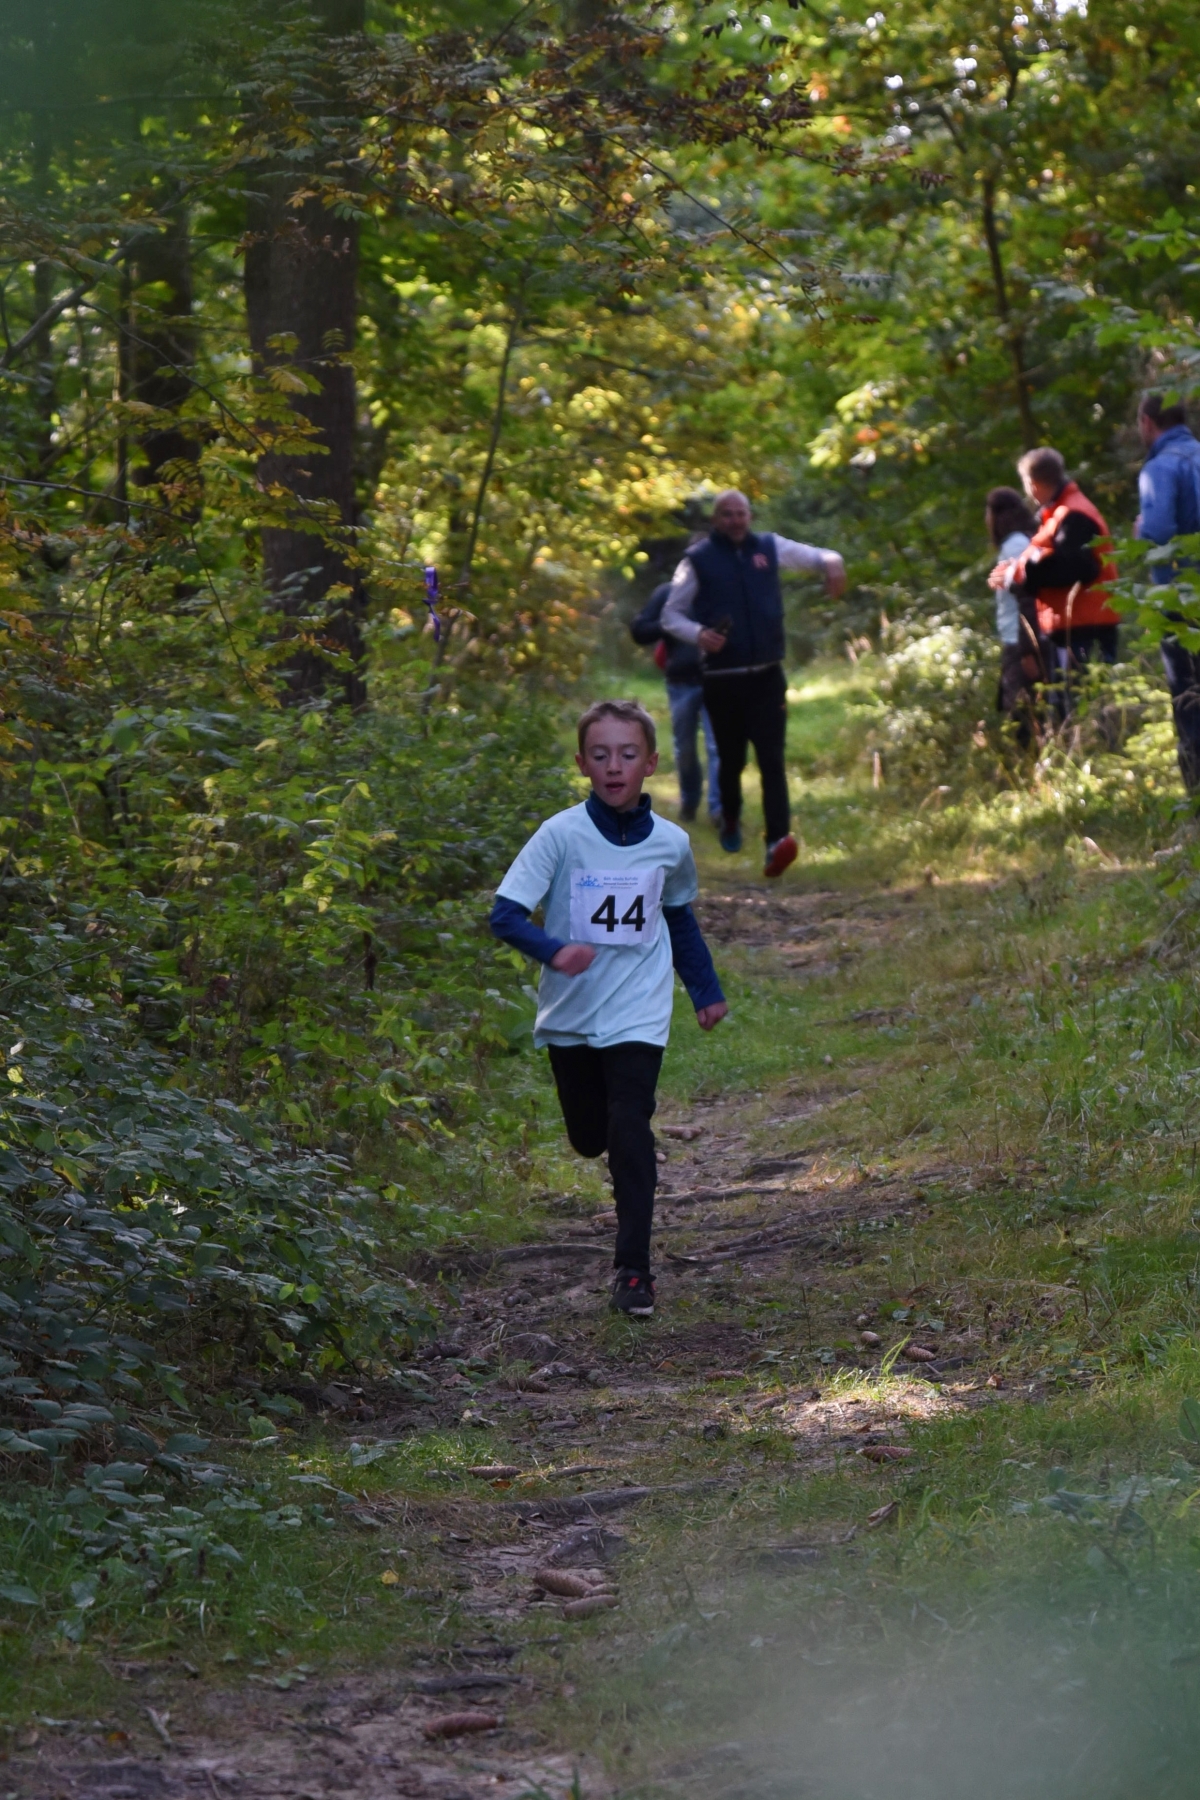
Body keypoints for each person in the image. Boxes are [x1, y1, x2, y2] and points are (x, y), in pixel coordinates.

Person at [489, 699, 727, 1318]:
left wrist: (704, 990)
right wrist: (554, 951)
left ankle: (634, 1271)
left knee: (630, 1128)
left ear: (650, 763)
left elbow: (678, 916)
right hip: (570, 1014)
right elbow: (505, 914)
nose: (614, 766)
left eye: (626, 754)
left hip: (638, 1011)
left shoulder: (671, 843)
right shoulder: (560, 835)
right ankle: (606, 1166)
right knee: (590, 1136)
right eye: (601, 755)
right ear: (582, 764)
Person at [661, 489, 846, 878]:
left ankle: (777, 842)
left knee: (772, 759)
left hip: (767, 675)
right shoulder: (697, 560)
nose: (735, 520)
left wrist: (833, 561)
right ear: (716, 519)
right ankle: (730, 818)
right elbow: (670, 615)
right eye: (727, 514)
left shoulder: (769, 547)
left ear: (750, 515)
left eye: (741, 513)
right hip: (722, 679)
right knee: (731, 761)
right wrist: (699, 635)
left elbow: (816, 557)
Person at [991, 447, 1119, 722]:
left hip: (1085, 627)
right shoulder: (1057, 514)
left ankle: (1101, 748)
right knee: (1074, 710)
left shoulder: (1073, 514)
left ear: (1033, 484)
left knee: (1088, 711)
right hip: (1074, 627)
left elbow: (1078, 567)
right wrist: (1017, 571)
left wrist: (1020, 575)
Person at [1134, 389, 1200, 791]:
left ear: (1147, 422)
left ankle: (1195, 807)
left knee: (1189, 700)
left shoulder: (1160, 468)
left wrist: (1141, 529)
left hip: (1182, 601)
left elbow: (1158, 534)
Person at [629, 579, 722, 825]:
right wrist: (669, 623)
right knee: (685, 749)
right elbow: (639, 631)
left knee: (718, 746)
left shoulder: (725, 588)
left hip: (719, 680)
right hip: (681, 683)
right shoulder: (668, 593)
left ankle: (720, 810)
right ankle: (690, 801)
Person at [984, 485, 1041, 739]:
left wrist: (1028, 651)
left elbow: (1028, 597)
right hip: (1017, 640)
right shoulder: (1015, 543)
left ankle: (1037, 760)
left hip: (1020, 642)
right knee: (1018, 708)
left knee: (1022, 712)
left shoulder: (1016, 545)